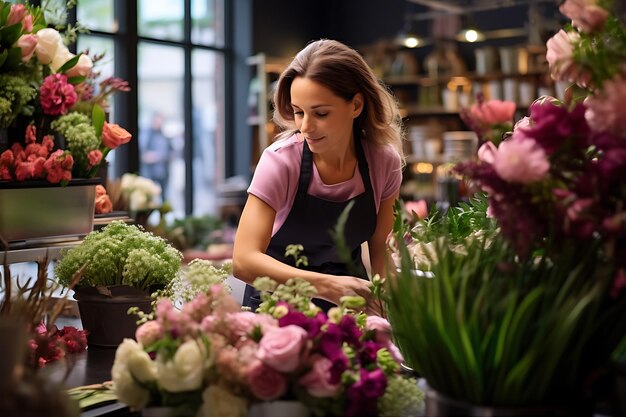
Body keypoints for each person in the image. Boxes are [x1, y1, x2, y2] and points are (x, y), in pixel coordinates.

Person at [232, 39, 405, 315]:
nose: (305, 127)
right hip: (277, 312)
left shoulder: (383, 162)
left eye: (320, 113)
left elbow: (382, 257)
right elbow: (243, 261)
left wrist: (402, 312)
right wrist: (326, 286)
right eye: (298, 112)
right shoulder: (280, 161)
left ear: (356, 105)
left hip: (350, 312)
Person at [141, 112, 172, 199]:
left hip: (162, 171)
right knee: (149, 196)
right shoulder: (147, 135)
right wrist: (150, 157)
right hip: (150, 172)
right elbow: (143, 153)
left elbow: (170, 152)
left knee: (164, 196)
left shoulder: (164, 135)